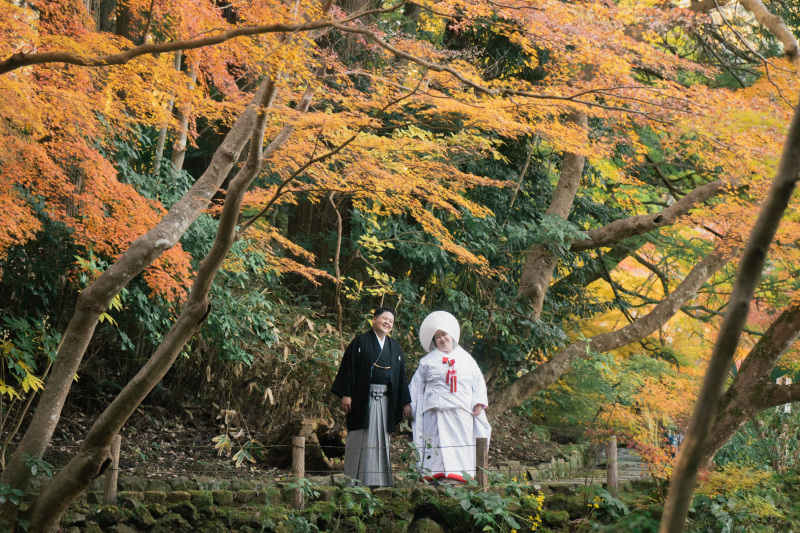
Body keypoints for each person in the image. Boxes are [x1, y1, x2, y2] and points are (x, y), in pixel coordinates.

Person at [331, 307, 412, 488]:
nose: (387, 323)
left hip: (385, 400)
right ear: (374, 319)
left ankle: (379, 481)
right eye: (384, 318)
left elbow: (401, 377)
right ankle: (353, 482)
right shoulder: (359, 343)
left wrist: (405, 401)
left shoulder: (395, 348)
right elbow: (348, 369)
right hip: (362, 399)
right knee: (359, 436)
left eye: (391, 321)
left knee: (382, 438)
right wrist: (346, 394)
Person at [409, 310, 491, 483]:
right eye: (437, 336)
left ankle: (461, 473)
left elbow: (478, 381)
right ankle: (434, 473)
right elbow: (416, 385)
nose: (442, 339)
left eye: (444, 334)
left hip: (461, 411)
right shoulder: (427, 361)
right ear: (434, 341)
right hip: (435, 411)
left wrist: (478, 402)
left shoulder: (466, 359)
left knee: (460, 441)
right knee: (435, 442)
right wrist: (409, 404)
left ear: (452, 335)